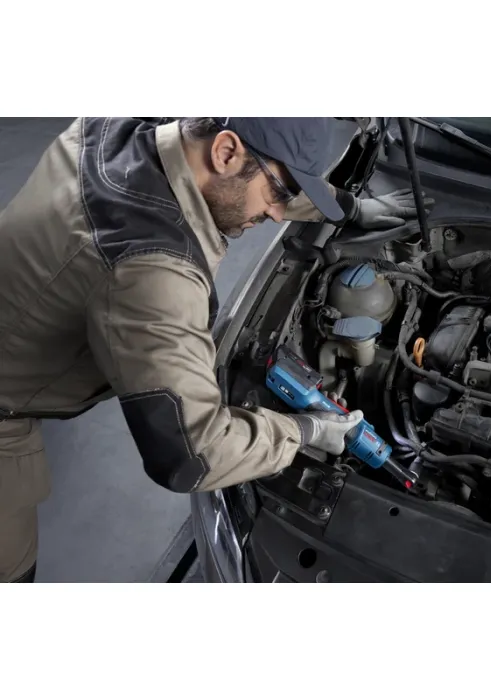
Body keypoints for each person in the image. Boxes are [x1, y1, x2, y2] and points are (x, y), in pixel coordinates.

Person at [0, 117, 426, 583]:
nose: (278, 214)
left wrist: (346, 208)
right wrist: (306, 430)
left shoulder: (125, 125)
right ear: (224, 152)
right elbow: (191, 454)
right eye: (279, 194)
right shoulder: (152, 270)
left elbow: (260, 166)